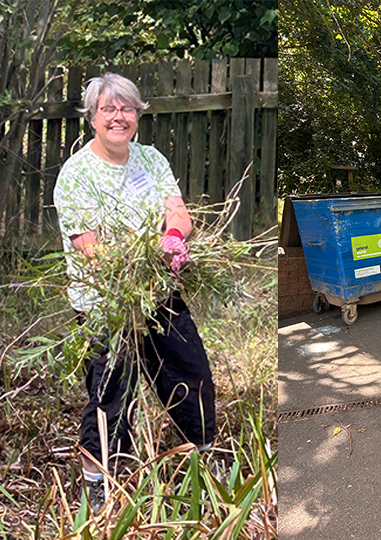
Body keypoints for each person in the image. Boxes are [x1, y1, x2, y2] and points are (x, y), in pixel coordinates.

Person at [53, 73, 216, 512]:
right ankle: (97, 479)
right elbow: (91, 250)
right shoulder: (76, 174)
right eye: (109, 108)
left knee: (191, 375)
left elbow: (177, 212)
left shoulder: (150, 159)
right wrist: (138, 259)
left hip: (161, 294)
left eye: (126, 108)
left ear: (138, 114)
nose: (119, 117)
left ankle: (204, 460)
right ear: (92, 117)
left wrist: (174, 238)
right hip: (107, 306)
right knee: (112, 396)